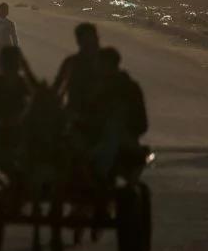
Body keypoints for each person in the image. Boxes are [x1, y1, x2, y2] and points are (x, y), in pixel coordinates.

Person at [91, 47, 148, 181]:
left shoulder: (126, 87)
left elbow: (139, 119)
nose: (97, 67)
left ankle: (100, 177)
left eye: (100, 64)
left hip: (120, 135)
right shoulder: (99, 84)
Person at [52, 22, 101, 119]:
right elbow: (55, 89)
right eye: (88, 40)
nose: (94, 42)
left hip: (97, 120)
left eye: (93, 38)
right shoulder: (71, 63)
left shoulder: (71, 62)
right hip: (76, 119)